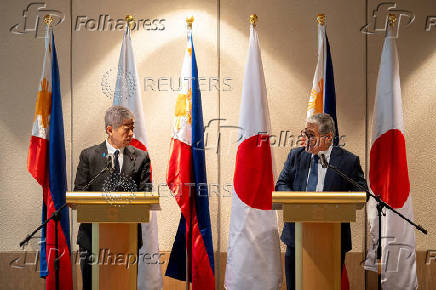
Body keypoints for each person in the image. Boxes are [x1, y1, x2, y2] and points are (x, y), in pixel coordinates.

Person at [276, 113, 368, 290]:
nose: (306, 139)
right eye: (305, 133)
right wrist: (297, 201)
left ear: (328, 138)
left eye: (311, 135)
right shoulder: (295, 156)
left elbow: (362, 192)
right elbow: (281, 184)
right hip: (296, 236)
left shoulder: (348, 161)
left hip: (333, 239)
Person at [74, 105, 151, 290]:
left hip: (127, 241)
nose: (132, 133)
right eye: (127, 128)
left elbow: (146, 195)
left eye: (133, 127)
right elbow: (79, 193)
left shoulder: (141, 157)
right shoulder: (89, 156)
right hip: (92, 240)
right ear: (110, 129)